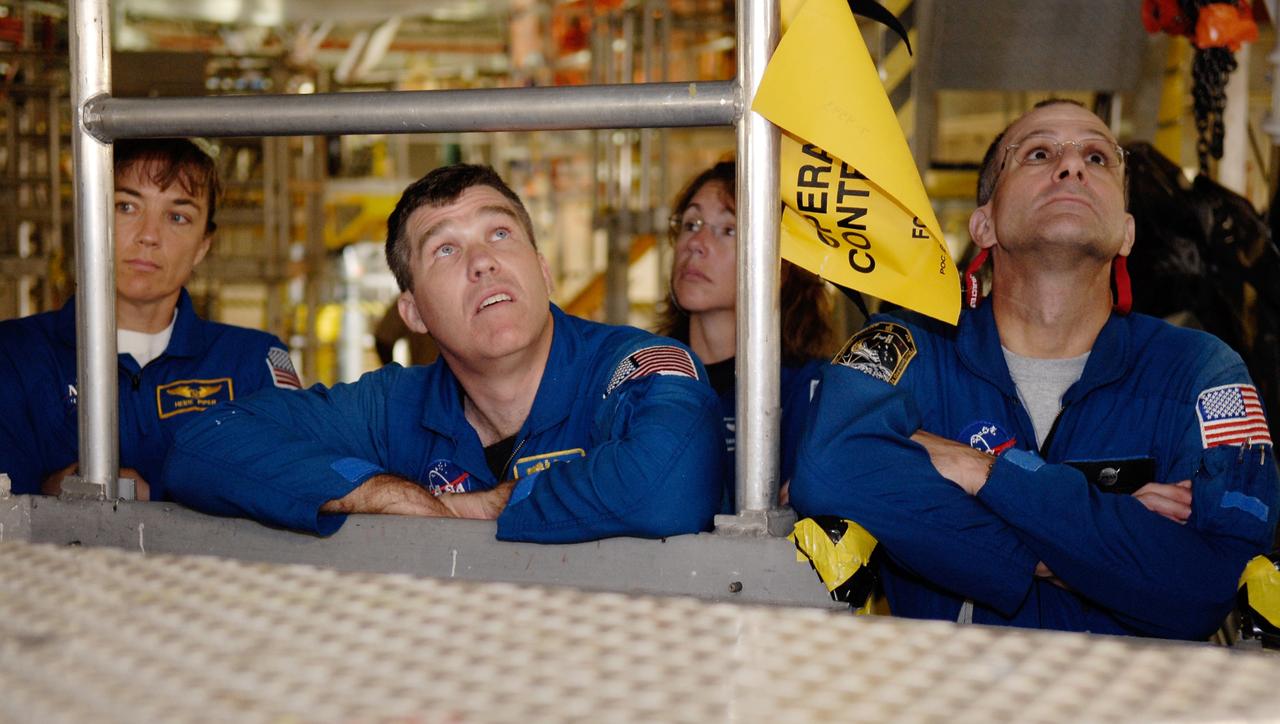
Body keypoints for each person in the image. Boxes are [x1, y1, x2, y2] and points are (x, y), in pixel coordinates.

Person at [791, 100, 1279, 639]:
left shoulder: (1198, 369)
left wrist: (982, 471)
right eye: (1039, 153)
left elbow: (1207, 581)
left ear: (1127, 232)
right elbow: (832, 468)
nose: (1072, 167)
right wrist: (1070, 548)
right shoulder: (909, 349)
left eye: (1097, 158)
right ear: (985, 223)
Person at [163, 164, 721, 543]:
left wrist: (490, 505)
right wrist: (374, 492)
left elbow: (666, 484)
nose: (482, 262)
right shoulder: (392, 406)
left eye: (500, 234)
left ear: (543, 270)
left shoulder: (631, 367)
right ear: (414, 313)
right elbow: (200, 443)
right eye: (446, 249)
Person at [0, 138, 300, 501]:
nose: (148, 236)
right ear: (89, 216)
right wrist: (52, 492)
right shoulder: (16, 355)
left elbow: (292, 488)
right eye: (126, 206)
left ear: (203, 244)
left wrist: (154, 495)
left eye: (178, 217)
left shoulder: (252, 364)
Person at [656, 161, 833, 513]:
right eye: (691, 224)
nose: (697, 244)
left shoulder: (812, 390)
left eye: (729, 230)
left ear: (779, 266)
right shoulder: (645, 374)